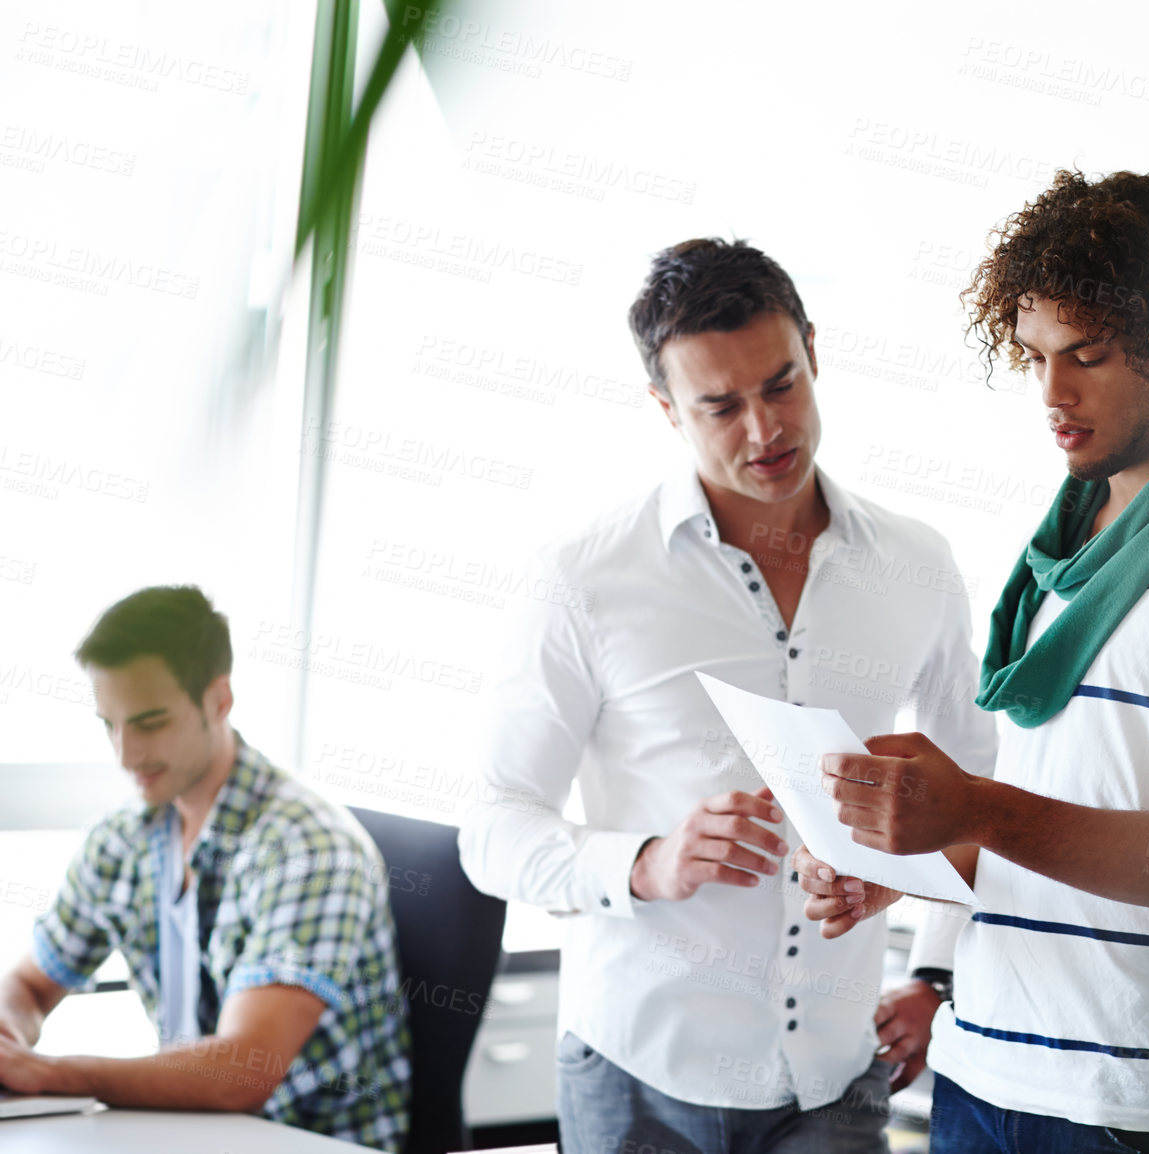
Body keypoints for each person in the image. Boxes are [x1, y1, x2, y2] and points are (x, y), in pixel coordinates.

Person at [796, 170, 1149, 1153]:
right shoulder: (1070, 544)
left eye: (1088, 356)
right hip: (981, 1069)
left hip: (1136, 1105)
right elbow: (1056, 813)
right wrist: (907, 857)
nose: (1053, 394)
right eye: (1035, 356)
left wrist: (970, 806)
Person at [457, 238, 998, 1154]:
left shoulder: (919, 567)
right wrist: (646, 862)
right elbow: (492, 829)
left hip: (837, 1074)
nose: (765, 431)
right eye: (720, 405)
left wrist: (935, 972)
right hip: (639, 1077)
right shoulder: (584, 578)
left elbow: (977, 793)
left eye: (782, 385)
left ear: (815, 354)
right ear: (666, 410)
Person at [0, 585, 411, 1150]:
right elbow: (27, 983)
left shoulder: (310, 848)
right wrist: (8, 1037)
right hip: (191, 1134)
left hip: (304, 1141)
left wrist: (54, 1073)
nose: (126, 755)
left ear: (219, 700)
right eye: (109, 725)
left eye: (149, 723)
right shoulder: (124, 837)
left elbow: (243, 1070)